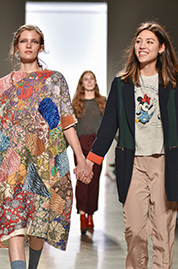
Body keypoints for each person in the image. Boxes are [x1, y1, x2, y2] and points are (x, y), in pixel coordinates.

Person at [84, 21, 178, 269]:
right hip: (133, 164)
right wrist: (90, 161)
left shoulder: (174, 83)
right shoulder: (122, 83)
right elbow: (108, 128)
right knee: (135, 231)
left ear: (161, 48)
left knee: (163, 232)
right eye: (139, 41)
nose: (142, 46)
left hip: (165, 164)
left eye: (149, 41)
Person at [0, 24, 91, 269]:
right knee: (14, 223)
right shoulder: (0, 85)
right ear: (16, 46)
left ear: (41, 47)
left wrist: (80, 158)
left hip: (45, 164)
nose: (28, 45)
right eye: (23, 41)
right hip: (10, 164)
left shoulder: (55, 80)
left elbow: (66, 122)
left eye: (34, 41)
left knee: (38, 224)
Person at [70, 70, 106, 234]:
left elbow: (109, 125)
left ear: (95, 82)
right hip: (80, 145)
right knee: (82, 180)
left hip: (97, 146)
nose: (89, 81)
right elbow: (70, 128)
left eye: (92, 78)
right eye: (86, 79)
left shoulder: (103, 102)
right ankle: (82, 216)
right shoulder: (76, 103)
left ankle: (90, 215)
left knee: (94, 180)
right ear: (82, 83)